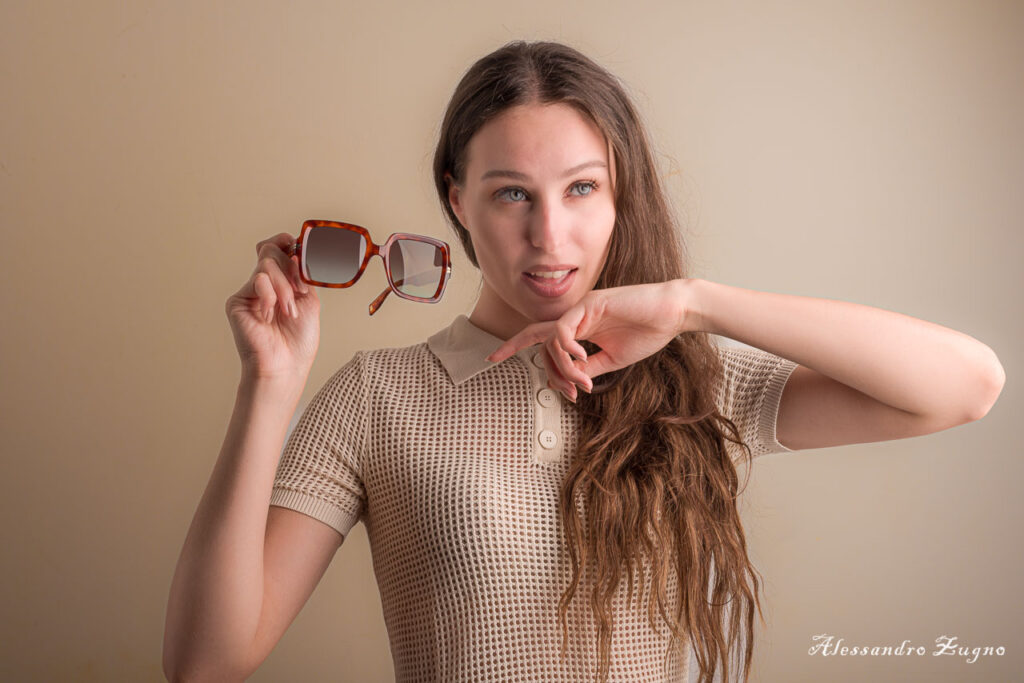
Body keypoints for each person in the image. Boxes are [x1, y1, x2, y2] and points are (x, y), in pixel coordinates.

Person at [162, 40, 1005, 683]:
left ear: (620, 192)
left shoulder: (689, 379)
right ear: (456, 198)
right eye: (511, 193)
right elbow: (205, 661)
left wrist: (690, 303)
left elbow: (968, 384)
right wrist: (268, 387)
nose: (549, 238)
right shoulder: (379, 397)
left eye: (581, 189)